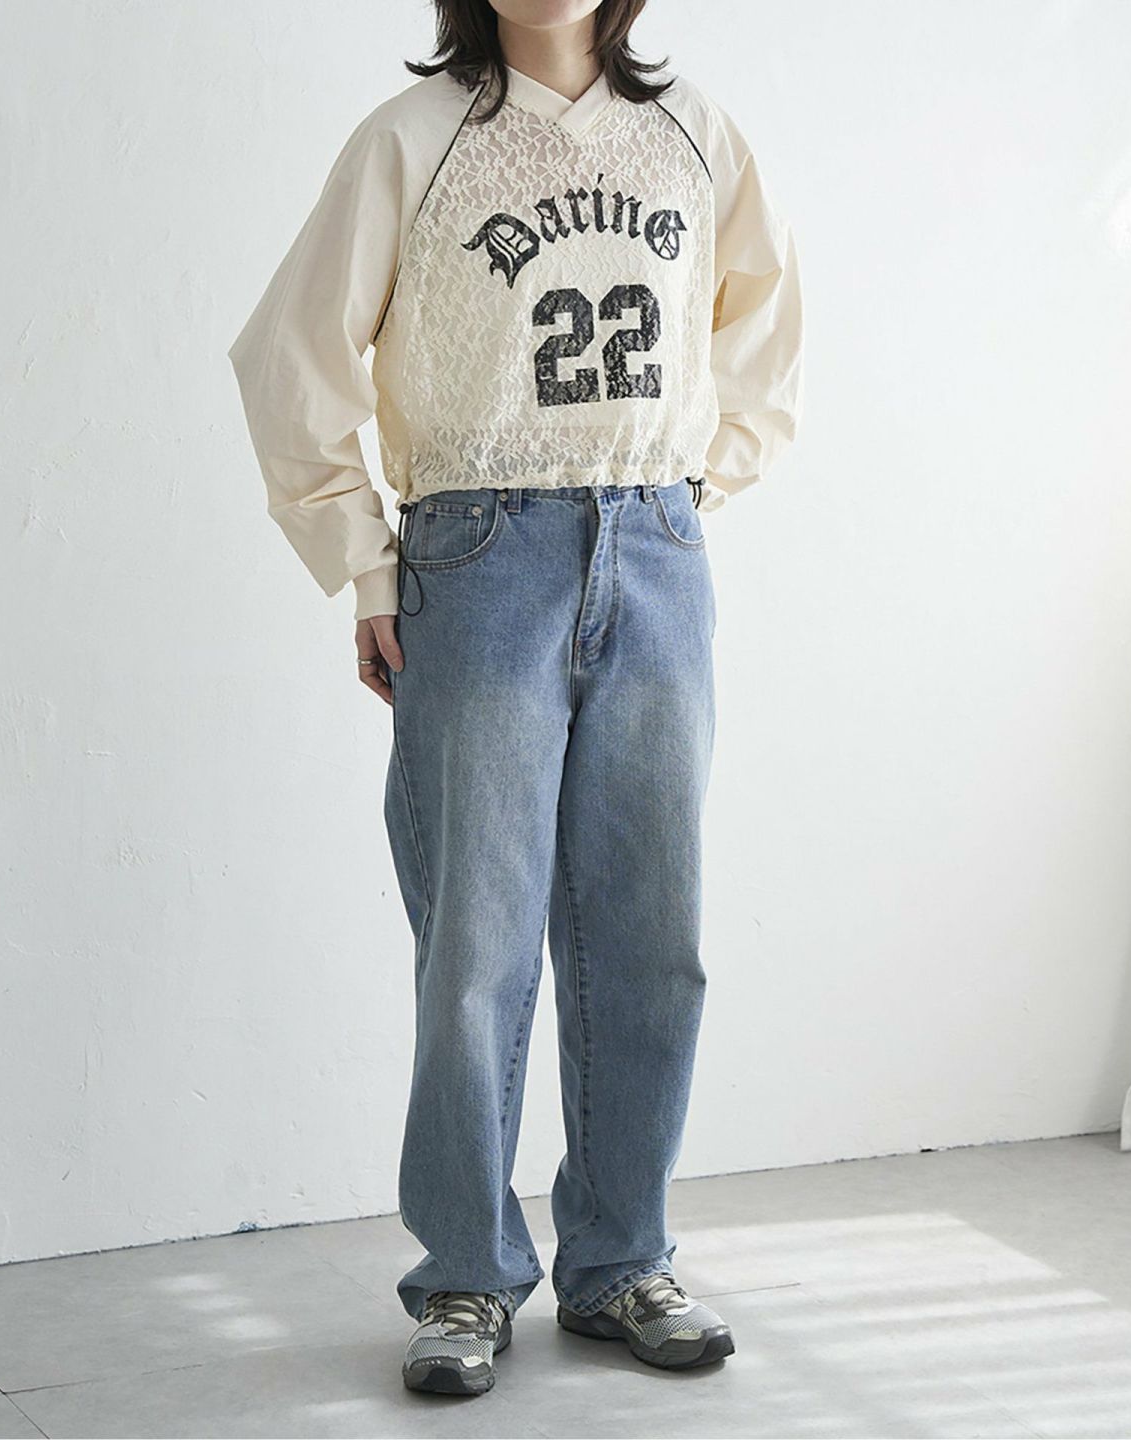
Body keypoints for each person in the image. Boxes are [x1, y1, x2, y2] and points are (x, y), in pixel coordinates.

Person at [227, 0, 803, 1398]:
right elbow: (289, 355)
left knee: (650, 935)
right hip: (479, 557)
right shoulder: (413, 139)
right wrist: (366, 563)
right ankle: (468, 1273)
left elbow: (766, 323)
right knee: (475, 943)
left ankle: (622, 1259)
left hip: (655, 549)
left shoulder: (695, 135)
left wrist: (692, 484)